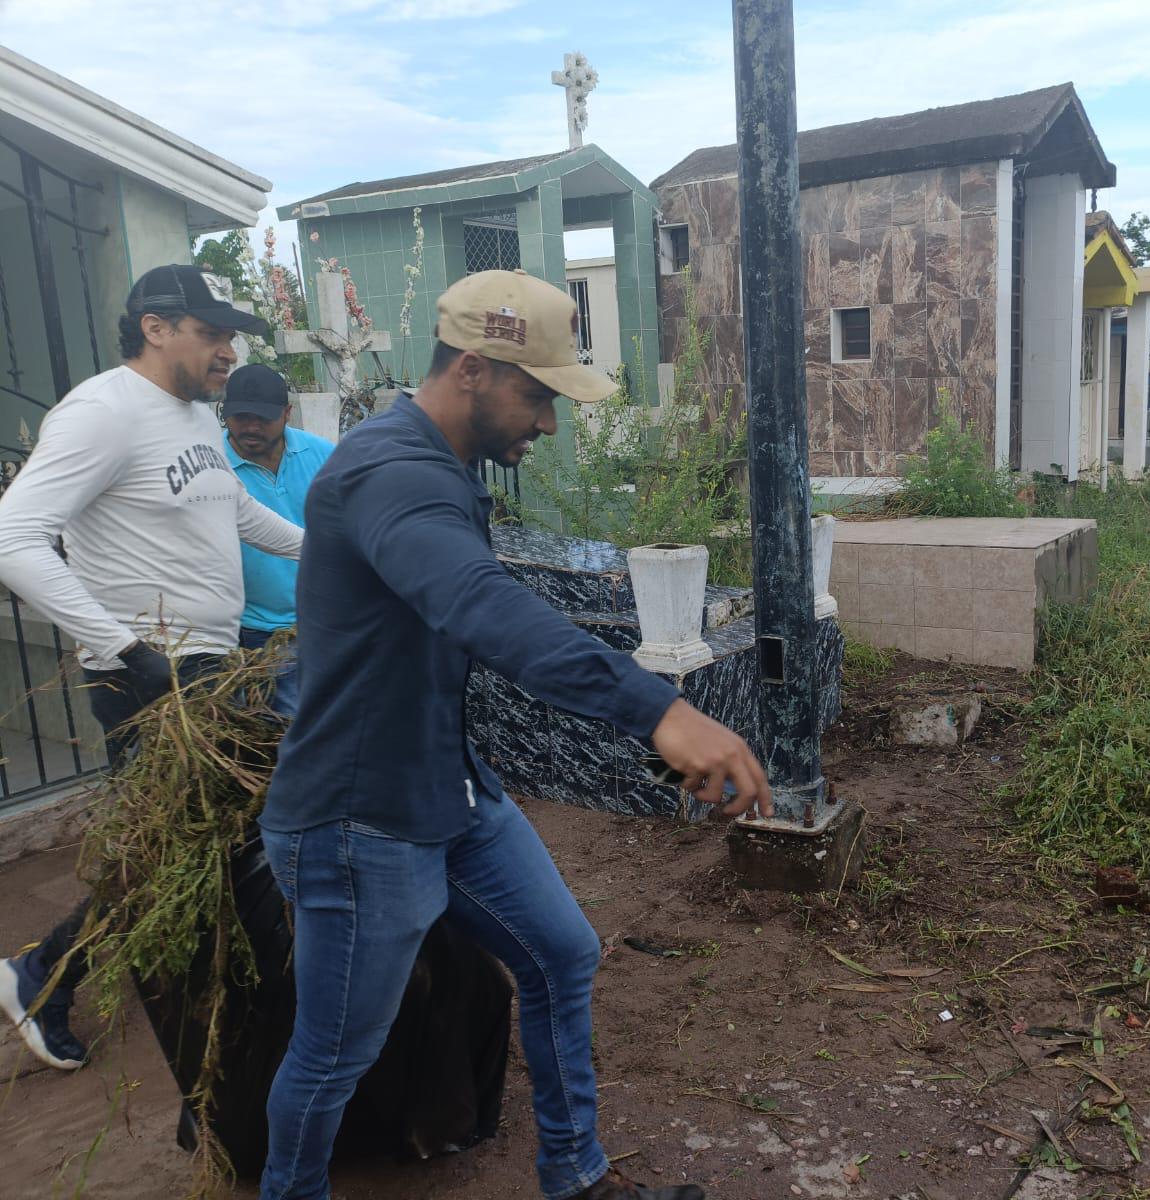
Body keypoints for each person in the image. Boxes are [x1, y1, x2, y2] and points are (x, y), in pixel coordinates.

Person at [258, 269, 769, 1200]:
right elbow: (478, 604)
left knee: (562, 953)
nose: (549, 423)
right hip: (359, 817)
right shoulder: (389, 474)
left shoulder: (437, 467)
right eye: (537, 396)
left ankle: (575, 1177)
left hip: (446, 790)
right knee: (335, 1055)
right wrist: (660, 710)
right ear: (470, 370)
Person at [0, 264, 304, 1072]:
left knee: (207, 835)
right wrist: (129, 651)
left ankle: (196, 971)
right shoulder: (102, 413)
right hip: (147, 677)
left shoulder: (196, 415)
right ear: (155, 328)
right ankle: (42, 976)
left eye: (230, 336)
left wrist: (330, 550)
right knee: (169, 843)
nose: (228, 350)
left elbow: (237, 512)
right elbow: (14, 538)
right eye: (212, 333)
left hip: (210, 665)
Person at [222, 365, 334, 717]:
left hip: (329, 621)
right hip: (259, 631)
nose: (251, 427)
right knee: (287, 726)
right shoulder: (212, 464)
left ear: (287, 413)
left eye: (263, 418)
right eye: (241, 417)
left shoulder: (322, 456)